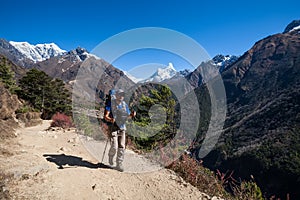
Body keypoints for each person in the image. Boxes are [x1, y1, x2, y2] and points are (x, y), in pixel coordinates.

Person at [103, 89, 135, 172]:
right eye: (120, 95)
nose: (121, 96)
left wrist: (131, 115)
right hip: (113, 127)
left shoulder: (124, 105)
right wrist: (110, 119)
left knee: (122, 146)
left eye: (122, 95)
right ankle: (111, 156)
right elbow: (106, 116)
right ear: (116, 95)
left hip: (122, 127)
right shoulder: (111, 103)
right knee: (114, 146)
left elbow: (127, 116)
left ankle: (119, 164)